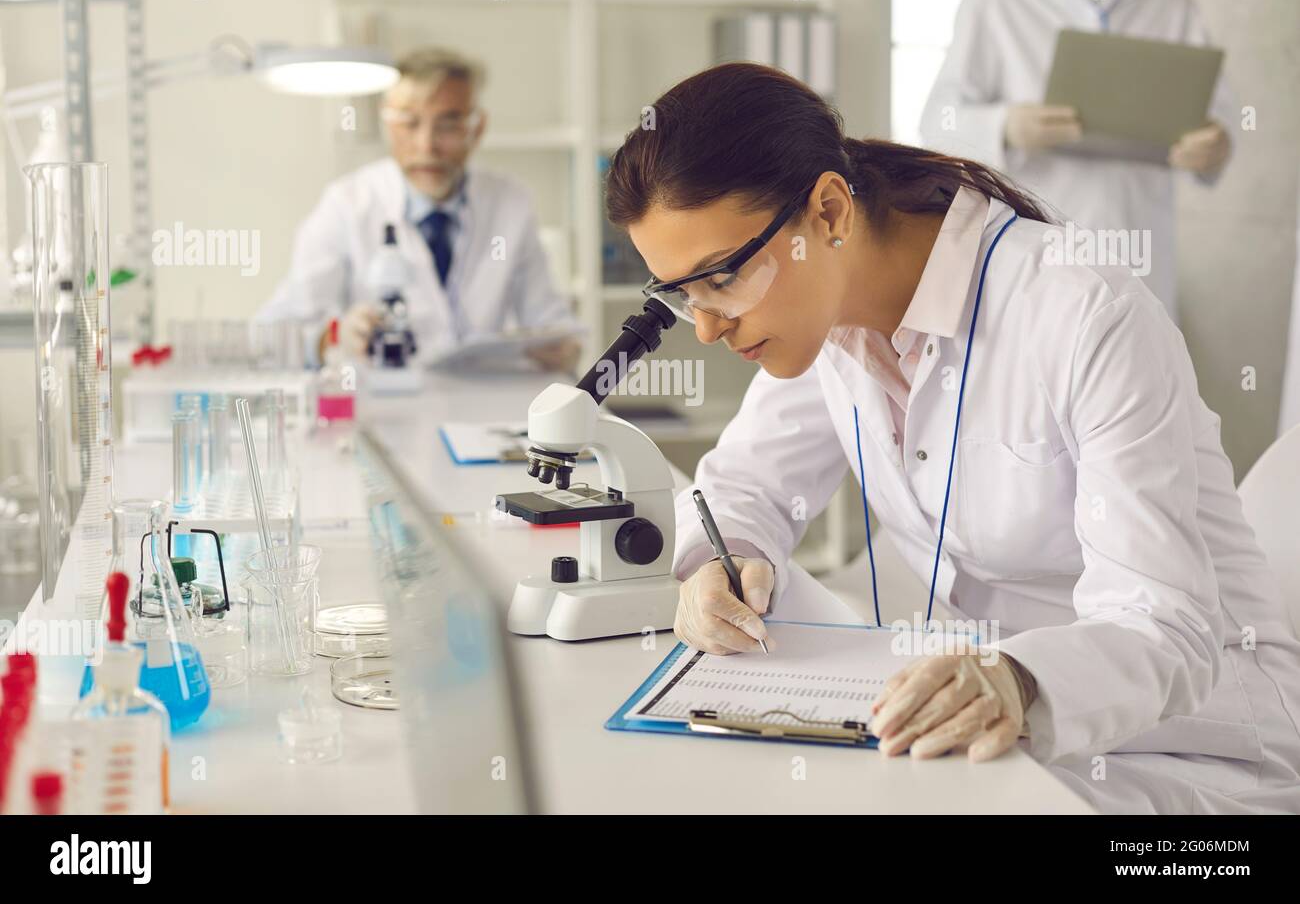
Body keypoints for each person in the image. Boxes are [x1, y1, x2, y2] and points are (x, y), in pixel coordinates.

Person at [605, 61, 1300, 814]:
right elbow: (746, 487)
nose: (705, 328)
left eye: (723, 277)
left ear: (830, 213)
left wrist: (1018, 680)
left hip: (1189, 742)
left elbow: (1163, 626)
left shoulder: (1080, 316)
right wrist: (721, 561)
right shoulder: (819, 316)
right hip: (977, 722)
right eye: (681, 294)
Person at [919, 0, 1235, 322]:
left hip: (1139, 254)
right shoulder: (994, 1)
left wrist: (1218, 144)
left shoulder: (1175, 7)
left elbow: (1219, 115)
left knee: (1137, 366)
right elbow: (937, 124)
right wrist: (1004, 126)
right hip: (1035, 259)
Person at [258, 47, 581, 371]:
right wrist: (333, 337)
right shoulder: (346, 204)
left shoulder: (511, 203)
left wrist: (562, 348)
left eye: (448, 125)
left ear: (477, 128)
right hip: (382, 408)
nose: (427, 145)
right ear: (387, 124)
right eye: (409, 123)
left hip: (480, 408)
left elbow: (549, 320)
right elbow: (277, 333)